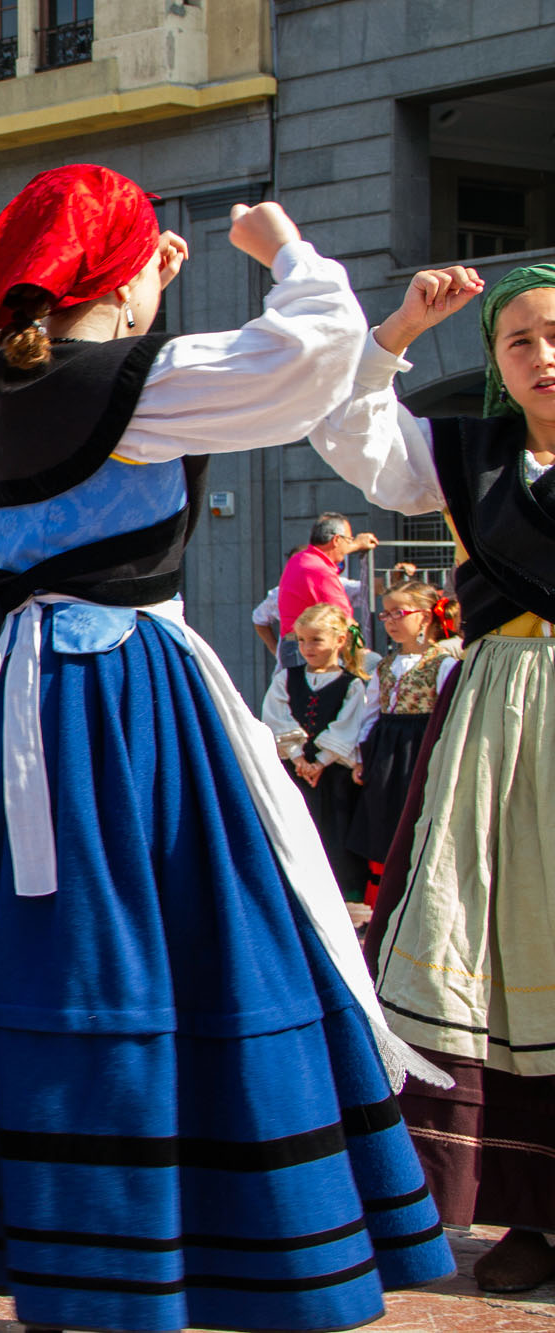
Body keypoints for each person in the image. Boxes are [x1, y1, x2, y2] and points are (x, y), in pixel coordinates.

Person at [0, 166, 454, 1333]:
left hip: (11, 702)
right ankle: (166, 1235)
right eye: (145, 258)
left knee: (18, 954)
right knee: (171, 949)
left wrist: (138, 281)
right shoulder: (138, 384)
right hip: (118, 698)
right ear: (116, 276)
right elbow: (310, 353)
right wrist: (280, 242)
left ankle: (27, 1230)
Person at [310, 260, 555, 1296]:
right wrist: (400, 329)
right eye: (520, 342)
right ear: (496, 366)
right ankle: (529, 1212)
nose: (544, 356)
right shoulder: (463, 457)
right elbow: (349, 435)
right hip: (502, 719)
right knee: (487, 940)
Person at [345, 579, 459, 902]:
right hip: (387, 753)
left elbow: (448, 715)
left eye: (399, 613)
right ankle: (383, 898)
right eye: (386, 615)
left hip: (421, 748)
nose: (390, 621)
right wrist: (361, 756)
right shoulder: (385, 666)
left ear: (424, 617)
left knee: (418, 818)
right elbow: (370, 713)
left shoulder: (444, 663)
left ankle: (420, 893)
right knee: (383, 819)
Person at [262, 601, 376, 903]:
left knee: (334, 830)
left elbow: (348, 725)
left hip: (333, 774)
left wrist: (321, 760)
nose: (306, 647)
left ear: (339, 640)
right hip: (294, 769)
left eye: (315, 639)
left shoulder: (353, 685)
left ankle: (340, 892)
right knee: (293, 824)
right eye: (301, 640)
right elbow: (276, 716)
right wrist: (298, 756)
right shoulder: (287, 678)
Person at [276, 512, 377, 665]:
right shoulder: (320, 571)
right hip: (308, 650)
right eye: (348, 540)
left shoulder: (300, 559)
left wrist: (355, 545)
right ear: (336, 539)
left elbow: (330, 551)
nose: (349, 545)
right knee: (372, 663)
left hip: (295, 646)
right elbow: (345, 621)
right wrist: (360, 652)